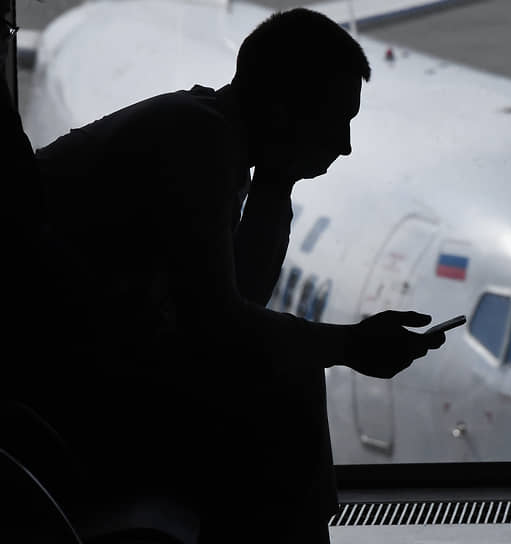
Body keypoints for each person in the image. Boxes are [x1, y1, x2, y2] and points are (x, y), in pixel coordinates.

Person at [28, 8, 445, 543]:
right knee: (286, 383)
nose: (344, 145)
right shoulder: (197, 142)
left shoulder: (209, 133)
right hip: (48, 385)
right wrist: (349, 345)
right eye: (336, 119)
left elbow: (237, 301)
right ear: (281, 112)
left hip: (67, 367)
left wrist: (277, 183)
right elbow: (218, 326)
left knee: (280, 372)